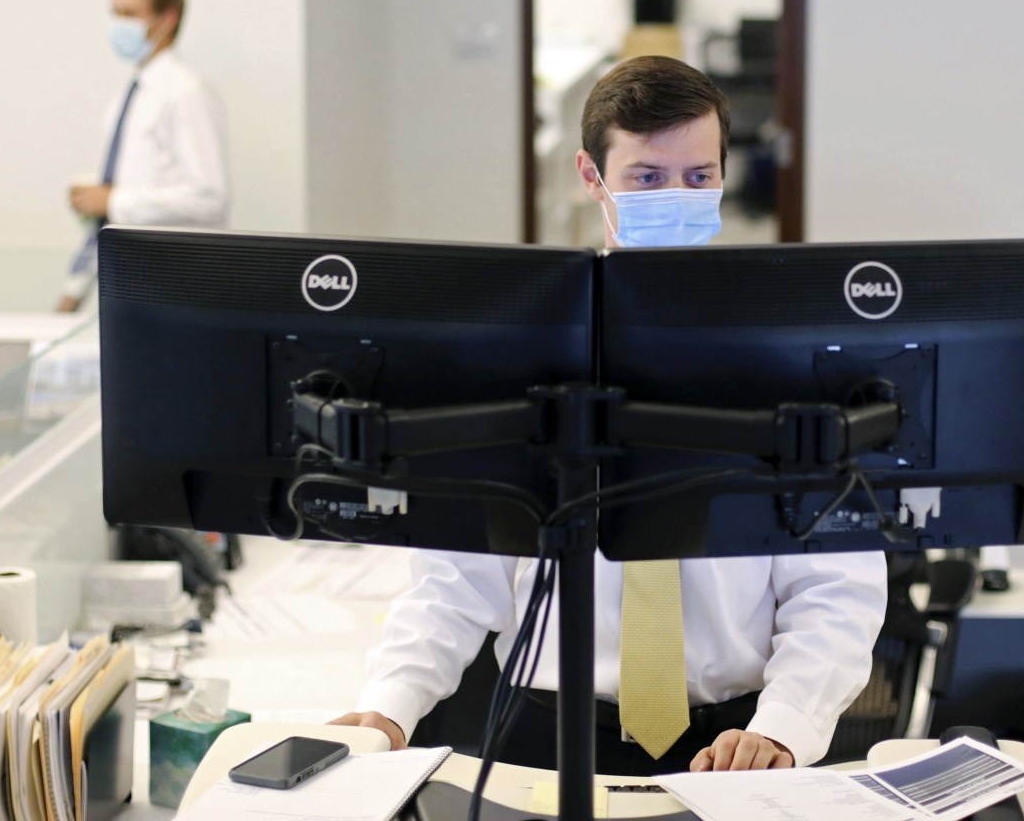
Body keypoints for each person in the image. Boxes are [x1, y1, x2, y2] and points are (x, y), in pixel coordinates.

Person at [331, 56, 886, 774]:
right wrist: (390, 701)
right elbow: (460, 568)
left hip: (739, 744)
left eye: (699, 176)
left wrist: (784, 725)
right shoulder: (523, 347)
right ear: (592, 177)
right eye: (648, 179)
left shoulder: (789, 356)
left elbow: (836, 580)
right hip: (544, 735)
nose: (678, 197)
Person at [57, 0, 229, 312]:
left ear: (166, 20)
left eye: (130, 14)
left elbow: (210, 198)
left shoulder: (185, 92)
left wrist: (114, 201)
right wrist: (74, 289)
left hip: (175, 287)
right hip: (130, 284)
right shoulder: (132, 92)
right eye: (115, 14)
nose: (119, 25)